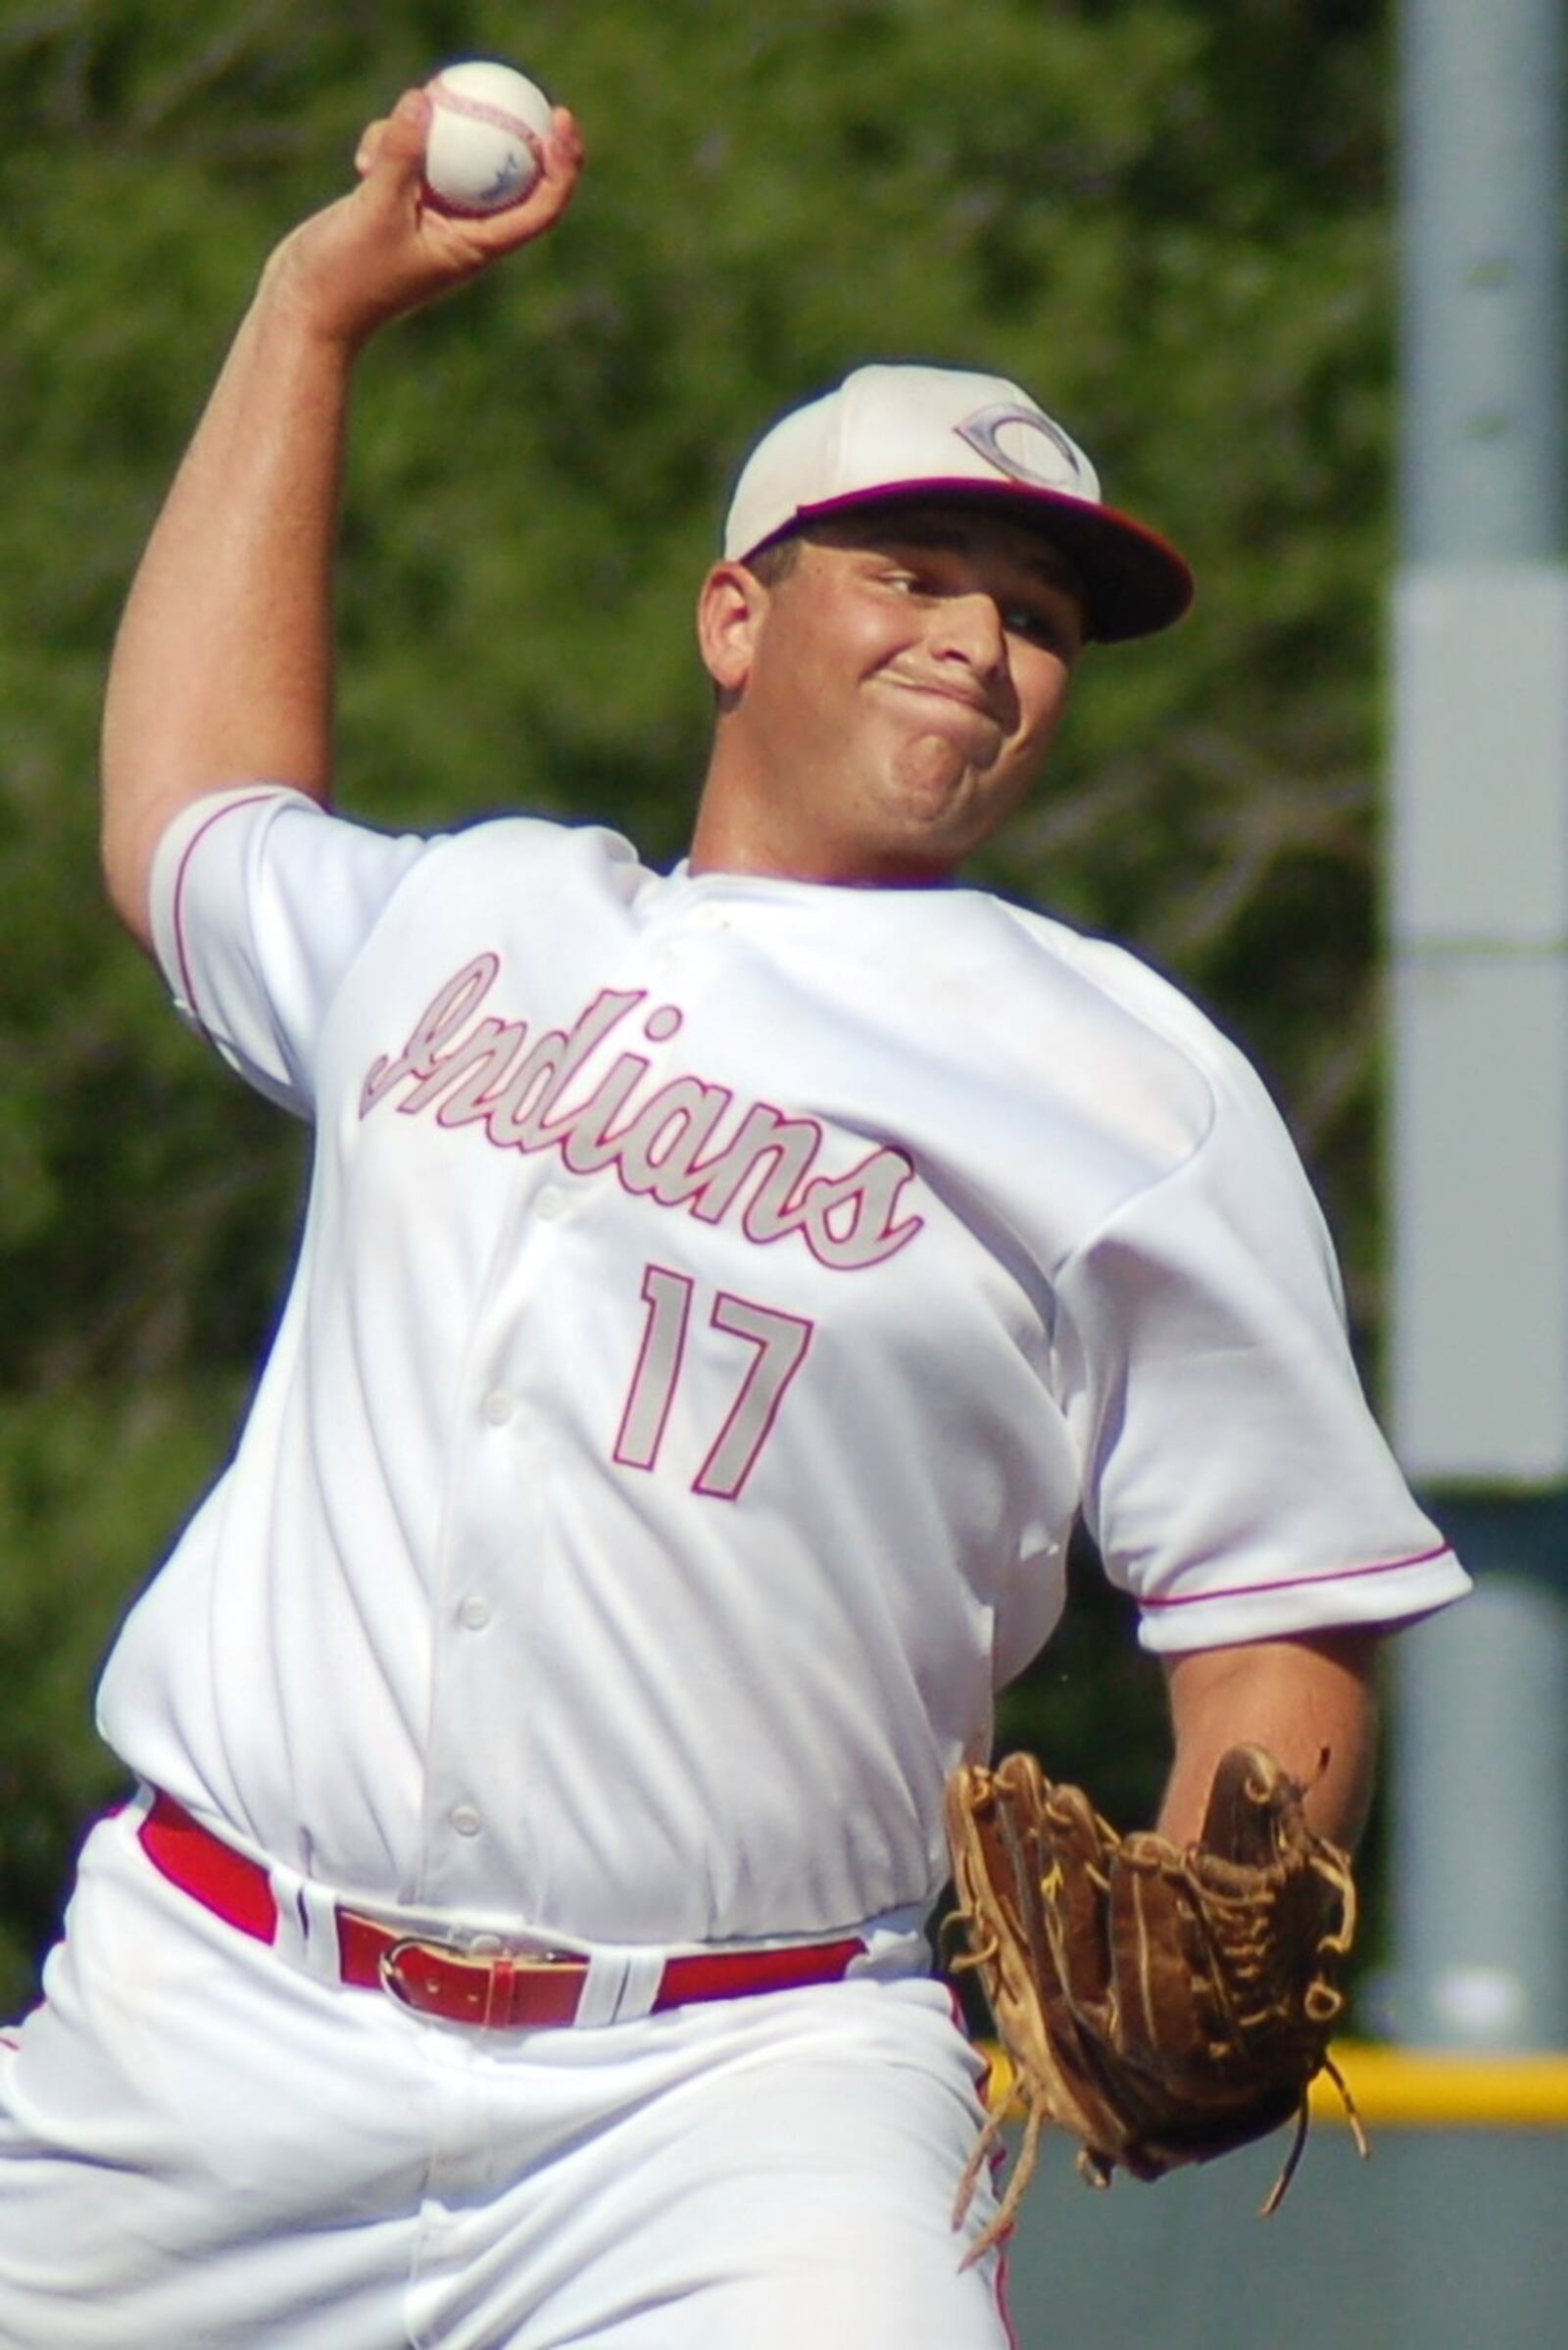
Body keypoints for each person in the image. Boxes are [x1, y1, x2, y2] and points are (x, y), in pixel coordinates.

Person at [0, 85, 1468, 2350]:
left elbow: (1271, 1590)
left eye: (1038, 617)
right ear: (730, 615)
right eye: (911, 574)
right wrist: (309, 314)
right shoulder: (469, 920)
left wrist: (1238, 1869)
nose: (979, 645)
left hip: (740, 2088)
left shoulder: (1126, 1082)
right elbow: (190, 812)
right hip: (206, 2019)